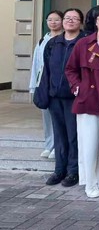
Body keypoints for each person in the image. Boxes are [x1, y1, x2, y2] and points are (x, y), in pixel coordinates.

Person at [65, 7, 99, 198]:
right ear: (96, 22)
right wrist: (77, 87)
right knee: (89, 145)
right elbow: (70, 69)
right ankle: (90, 183)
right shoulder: (83, 43)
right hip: (88, 99)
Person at [36, 8, 84, 188]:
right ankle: (59, 170)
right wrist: (45, 93)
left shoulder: (84, 42)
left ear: (80, 22)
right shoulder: (53, 43)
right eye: (67, 18)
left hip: (74, 97)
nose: (70, 20)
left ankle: (73, 171)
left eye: (75, 18)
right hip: (55, 97)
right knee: (59, 136)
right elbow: (46, 70)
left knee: (73, 135)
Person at [30, 10, 63, 160]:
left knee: (59, 117)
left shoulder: (64, 39)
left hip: (58, 84)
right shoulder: (42, 41)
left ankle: (58, 146)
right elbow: (36, 65)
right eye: (50, 20)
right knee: (47, 117)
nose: (53, 22)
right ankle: (49, 145)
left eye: (56, 20)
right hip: (43, 84)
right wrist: (34, 85)